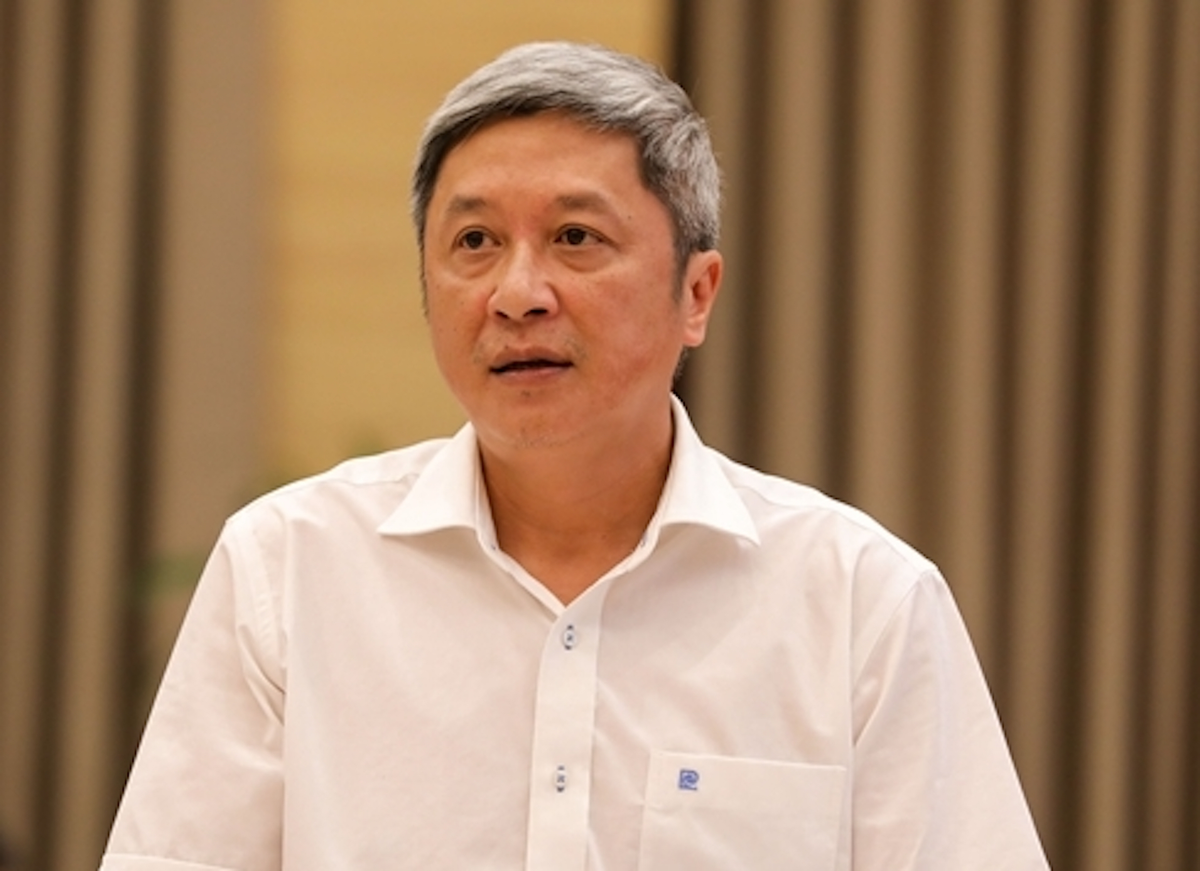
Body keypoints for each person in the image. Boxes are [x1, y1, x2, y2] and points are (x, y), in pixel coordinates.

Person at [101, 41, 1048, 869]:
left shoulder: (859, 600)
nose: (518, 292)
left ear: (697, 293)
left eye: (575, 237)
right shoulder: (287, 567)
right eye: (475, 240)